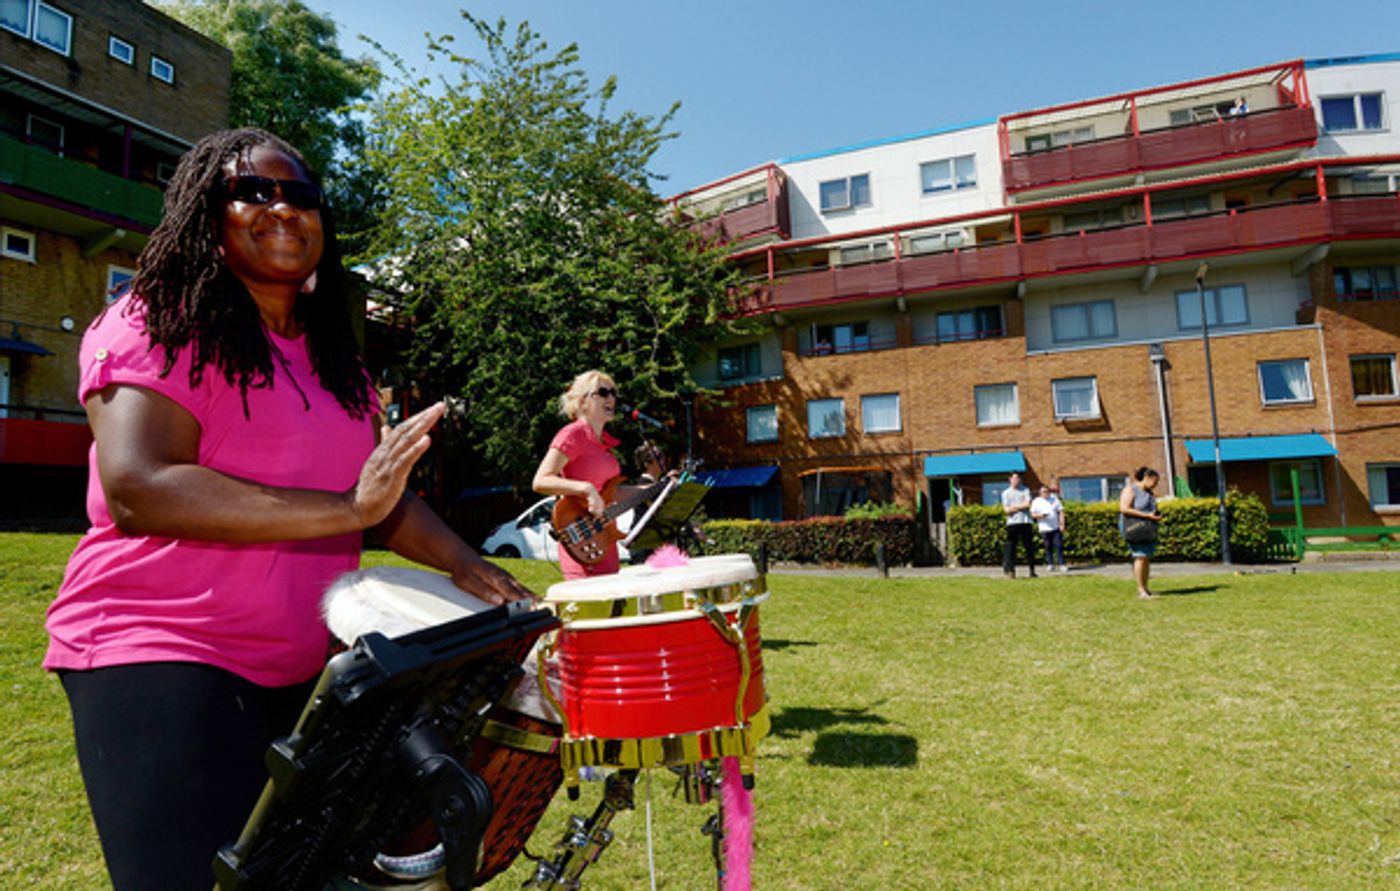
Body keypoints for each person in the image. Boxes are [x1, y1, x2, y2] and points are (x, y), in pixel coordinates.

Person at [42, 128, 533, 891]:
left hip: (305, 667)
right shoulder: (154, 321)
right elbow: (140, 486)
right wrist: (347, 506)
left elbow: (383, 502)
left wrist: (470, 567)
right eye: (253, 192)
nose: (282, 208)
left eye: (300, 195)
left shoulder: (339, 366)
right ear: (207, 213)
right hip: (156, 651)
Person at [533, 370, 627, 579]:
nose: (611, 398)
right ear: (583, 401)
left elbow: (611, 493)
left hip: (605, 538)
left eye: (613, 392)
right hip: (581, 538)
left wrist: (658, 488)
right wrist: (586, 489)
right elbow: (540, 481)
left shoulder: (605, 443)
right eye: (603, 392)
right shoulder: (572, 434)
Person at [1119, 467, 1164, 598]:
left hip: (1147, 528)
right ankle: (1141, 590)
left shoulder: (1149, 493)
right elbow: (1124, 509)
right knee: (1140, 556)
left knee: (1146, 557)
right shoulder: (1130, 490)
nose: (1156, 485)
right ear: (1147, 478)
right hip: (1134, 527)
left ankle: (1145, 588)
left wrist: (1155, 515)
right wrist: (1147, 515)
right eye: (1155, 481)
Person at [1001, 471, 1037, 579]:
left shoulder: (1025, 490)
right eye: (1015, 478)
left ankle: (1032, 571)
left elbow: (1028, 504)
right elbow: (1006, 510)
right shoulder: (1006, 493)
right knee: (1012, 548)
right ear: (1010, 479)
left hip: (1025, 521)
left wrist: (1014, 507)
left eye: (1018, 478)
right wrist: (1020, 507)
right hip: (1012, 523)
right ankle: (1011, 571)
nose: (1017, 480)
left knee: (1029, 547)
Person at [1031, 484, 1067, 572]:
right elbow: (1032, 514)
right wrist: (1041, 516)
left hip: (1055, 527)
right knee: (1048, 547)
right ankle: (1050, 564)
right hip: (1044, 528)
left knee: (1058, 545)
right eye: (1043, 492)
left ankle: (1062, 564)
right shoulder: (1036, 501)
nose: (1045, 493)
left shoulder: (1054, 499)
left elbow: (1061, 511)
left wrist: (1062, 524)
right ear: (1040, 493)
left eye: (1047, 491)